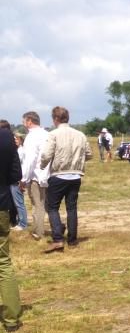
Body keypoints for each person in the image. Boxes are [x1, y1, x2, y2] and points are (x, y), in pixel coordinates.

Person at [40, 107, 92, 252]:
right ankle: (73, 240)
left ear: (55, 119)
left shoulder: (53, 134)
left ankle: (57, 239)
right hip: (75, 176)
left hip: (58, 175)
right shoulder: (80, 134)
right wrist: (77, 161)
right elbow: (89, 154)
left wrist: (42, 165)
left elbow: (46, 155)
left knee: (52, 207)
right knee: (71, 208)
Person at [0, 123, 22, 332]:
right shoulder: (6, 137)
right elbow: (16, 175)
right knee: (3, 262)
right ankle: (11, 319)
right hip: (2, 204)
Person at [20, 111, 50, 241]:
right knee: (48, 205)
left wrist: (23, 179)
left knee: (37, 205)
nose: (23, 124)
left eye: (24, 121)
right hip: (49, 174)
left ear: (29, 121)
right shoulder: (47, 134)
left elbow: (30, 160)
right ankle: (58, 226)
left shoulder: (31, 137)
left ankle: (39, 232)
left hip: (36, 175)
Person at [11, 133, 28, 231]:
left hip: (18, 180)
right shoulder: (18, 150)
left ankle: (23, 224)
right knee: (18, 202)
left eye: (16, 139)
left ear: (21, 140)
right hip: (18, 179)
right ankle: (20, 222)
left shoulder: (20, 151)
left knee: (19, 203)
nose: (15, 141)